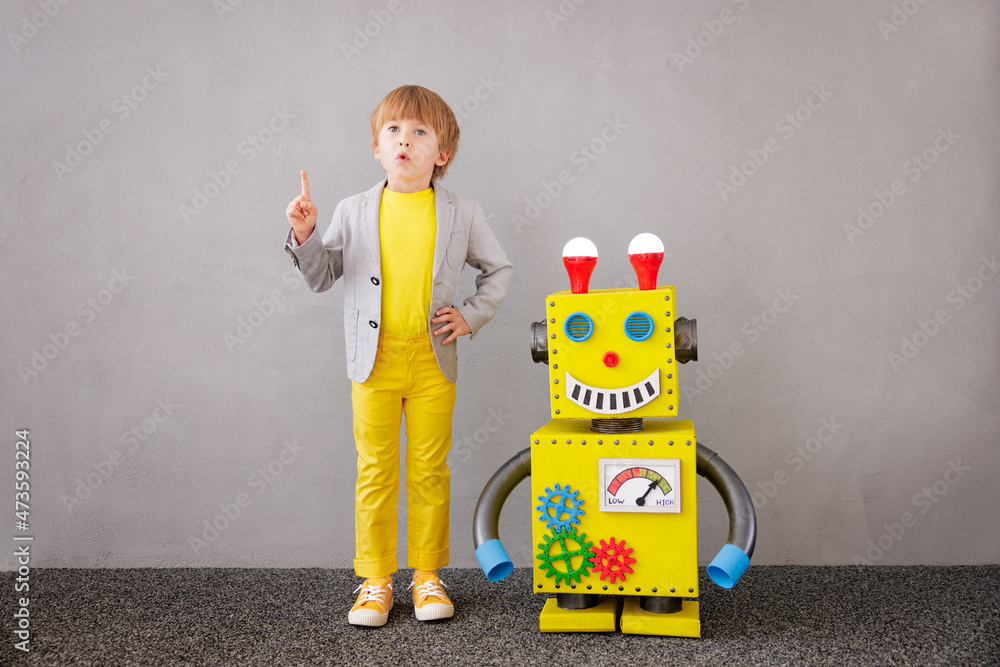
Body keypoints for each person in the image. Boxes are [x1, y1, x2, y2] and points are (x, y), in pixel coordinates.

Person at [283, 85, 512, 627]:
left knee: (431, 469)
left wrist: (471, 315)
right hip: (374, 362)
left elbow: (498, 270)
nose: (404, 141)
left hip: (433, 362)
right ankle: (375, 581)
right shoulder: (353, 210)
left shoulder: (462, 211)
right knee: (376, 470)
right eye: (393, 131)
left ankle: (428, 575)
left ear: (442, 154)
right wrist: (304, 231)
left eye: (419, 132)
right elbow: (320, 276)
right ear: (376, 147)